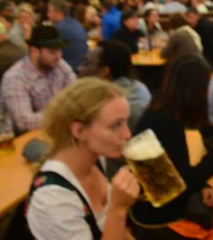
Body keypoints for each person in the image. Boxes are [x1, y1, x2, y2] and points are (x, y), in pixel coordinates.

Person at [131, 54, 213, 240]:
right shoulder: (167, 124)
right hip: (160, 223)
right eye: (207, 85)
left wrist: (202, 187)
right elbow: (183, 184)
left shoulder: (159, 111)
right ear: (195, 89)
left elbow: (176, 174)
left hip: (152, 210)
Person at [26, 78, 140, 240]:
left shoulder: (96, 159)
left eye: (126, 122)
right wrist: (118, 209)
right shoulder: (52, 199)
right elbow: (115, 218)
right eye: (116, 125)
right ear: (79, 131)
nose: (127, 134)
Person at [1, 25, 76, 134]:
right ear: (35, 51)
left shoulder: (58, 65)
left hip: (55, 130)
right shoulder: (15, 77)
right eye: (52, 51)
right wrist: (64, 113)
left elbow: (78, 95)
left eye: (60, 50)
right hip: (23, 139)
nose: (58, 56)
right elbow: (24, 123)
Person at [47, 0, 89, 71]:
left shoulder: (57, 29)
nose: (48, 15)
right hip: (83, 67)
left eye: (50, 11)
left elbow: (47, 54)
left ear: (58, 13)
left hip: (70, 70)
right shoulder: (77, 24)